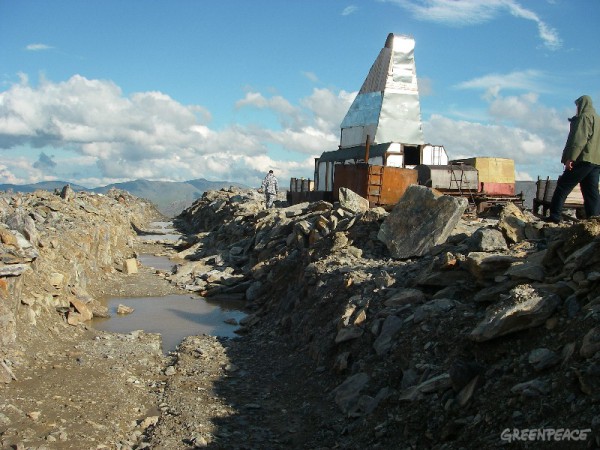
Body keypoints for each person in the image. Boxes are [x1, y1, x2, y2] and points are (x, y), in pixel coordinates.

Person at [547, 95, 600, 223]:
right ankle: (594, 219)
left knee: (563, 185)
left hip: (583, 159)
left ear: (582, 105)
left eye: (577, 105)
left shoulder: (584, 118)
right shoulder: (597, 119)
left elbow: (579, 139)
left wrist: (571, 158)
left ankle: (554, 217)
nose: (576, 108)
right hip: (596, 161)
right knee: (591, 191)